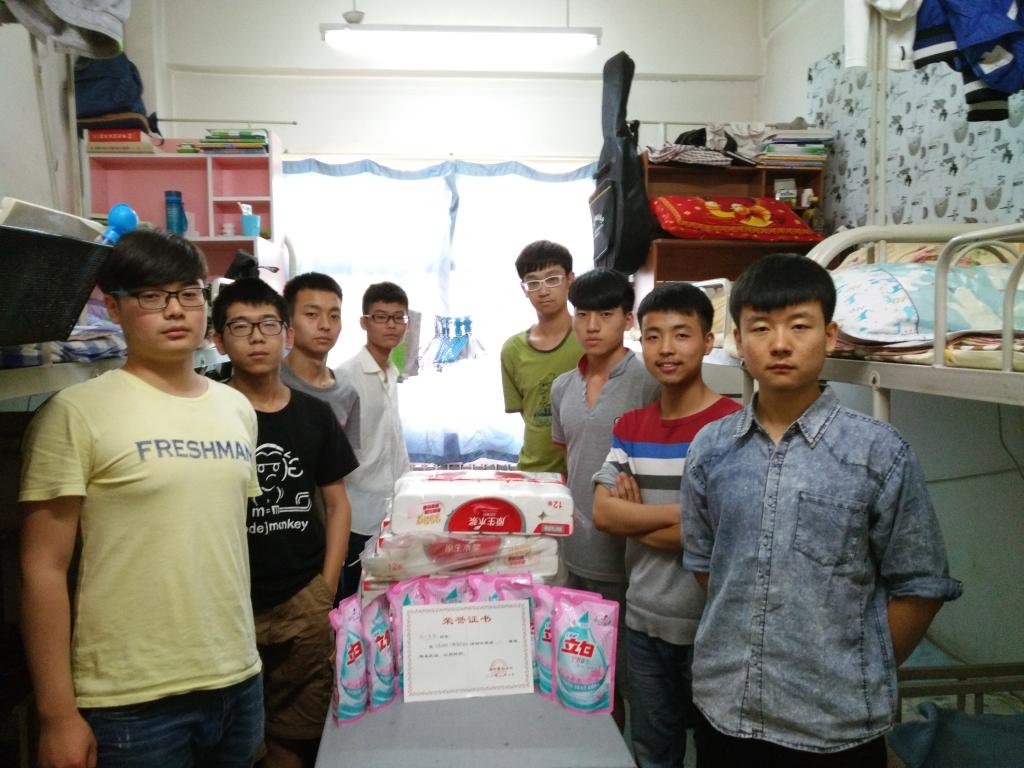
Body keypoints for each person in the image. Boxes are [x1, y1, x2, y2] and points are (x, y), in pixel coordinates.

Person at [680, 253, 963, 766]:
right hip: (725, 706)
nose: (780, 343)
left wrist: (856, 666)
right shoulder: (711, 448)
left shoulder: (879, 452)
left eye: (799, 325)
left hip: (835, 724)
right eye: (761, 328)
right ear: (738, 341)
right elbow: (706, 565)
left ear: (829, 336)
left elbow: (921, 586)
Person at [19, 229, 264, 767]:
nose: (175, 310)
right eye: (152, 296)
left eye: (189, 293)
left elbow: (219, 541)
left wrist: (247, 665)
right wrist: (57, 715)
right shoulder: (75, 413)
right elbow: (43, 568)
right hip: (130, 699)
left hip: (237, 679)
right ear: (114, 307)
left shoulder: (236, 409)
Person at [212, 278, 358, 768]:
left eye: (268, 325)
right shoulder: (207, 415)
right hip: (227, 603)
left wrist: (326, 587)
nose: (257, 337)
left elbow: (337, 504)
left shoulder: (314, 416)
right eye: (241, 327)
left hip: (302, 598)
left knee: (295, 735)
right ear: (218, 340)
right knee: (232, 738)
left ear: (286, 335)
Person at [593, 282, 740, 768]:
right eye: (653, 336)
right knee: (653, 753)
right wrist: (688, 514)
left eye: (681, 334)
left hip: (713, 627)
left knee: (720, 752)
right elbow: (603, 514)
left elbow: (727, 534)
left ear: (708, 341)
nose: (666, 349)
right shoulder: (630, 426)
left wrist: (634, 521)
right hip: (642, 621)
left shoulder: (733, 427)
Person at [550, 268, 659, 721]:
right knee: (580, 674)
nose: (592, 326)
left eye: (606, 314)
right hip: (574, 550)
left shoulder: (650, 380)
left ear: (628, 320)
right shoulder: (562, 386)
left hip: (631, 557)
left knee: (633, 683)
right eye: (583, 314)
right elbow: (570, 462)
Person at [335, 282, 412, 598]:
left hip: (393, 507)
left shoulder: (392, 370)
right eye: (381, 317)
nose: (391, 325)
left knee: (384, 598)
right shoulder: (346, 377)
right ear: (364, 322)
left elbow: (392, 437)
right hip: (358, 513)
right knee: (354, 599)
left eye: (398, 317)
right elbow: (335, 452)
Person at [501, 240, 582, 475]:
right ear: (524, 289)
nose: (543, 291)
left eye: (552, 279)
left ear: (570, 280)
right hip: (533, 473)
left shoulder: (590, 339)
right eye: (533, 282)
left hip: (583, 473)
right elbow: (529, 415)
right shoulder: (513, 350)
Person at [280, 272, 360, 449]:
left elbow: (346, 460)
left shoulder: (347, 391)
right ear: (288, 320)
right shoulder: (268, 382)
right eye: (312, 314)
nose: (325, 325)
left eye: (334, 316)